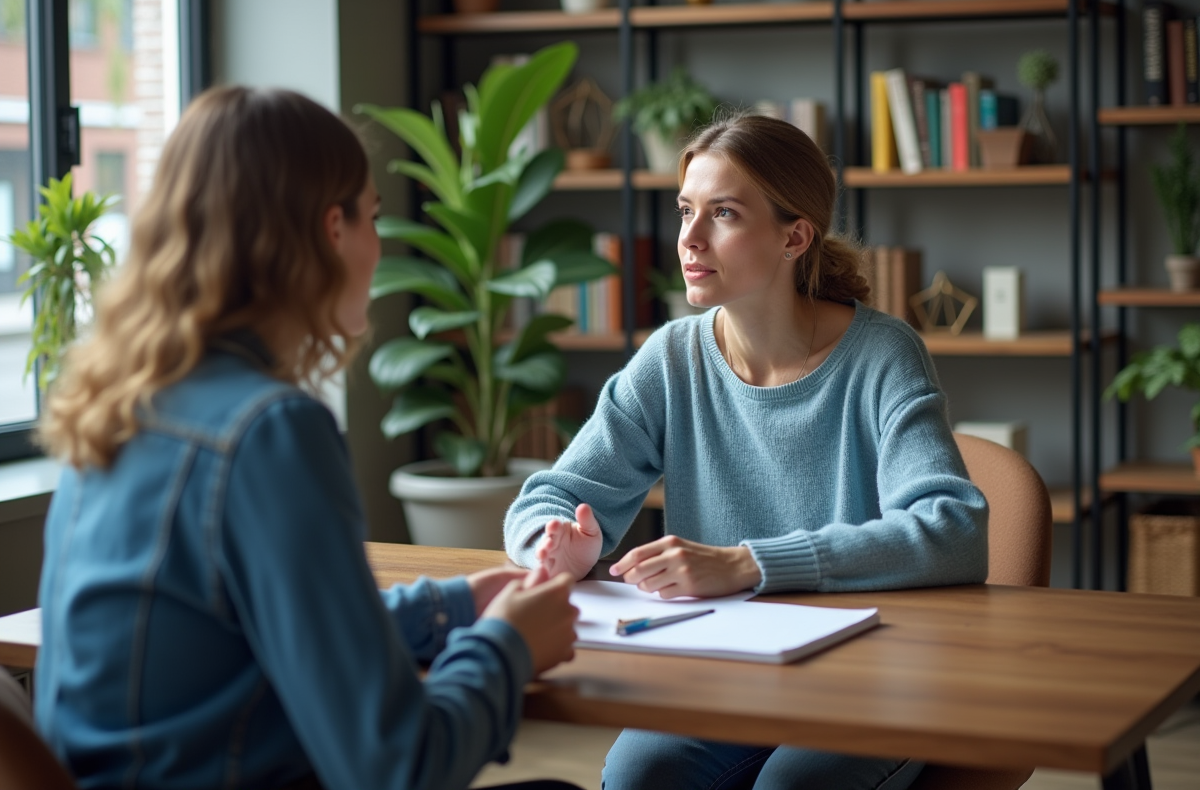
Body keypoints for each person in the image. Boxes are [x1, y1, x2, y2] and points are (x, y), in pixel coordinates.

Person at [35, 86, 582, 790]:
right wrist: (508, 645)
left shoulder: (115, 401)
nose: (379, 246)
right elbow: (397, 766)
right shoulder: (271, 431)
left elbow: (251, 637)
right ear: (332, 229)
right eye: (373, 217)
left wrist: (452, 608)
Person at [503, 114, 989, 790]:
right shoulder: (672, 357)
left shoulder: (882, 355)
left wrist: (749, 564)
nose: (689, 240)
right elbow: (547, 497)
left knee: (795, 786)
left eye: (723, 214)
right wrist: (554, 547)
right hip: (721, 673)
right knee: (640, 774)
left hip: (872, 674)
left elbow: (954, 530)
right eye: (685, 211)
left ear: (795, 236)